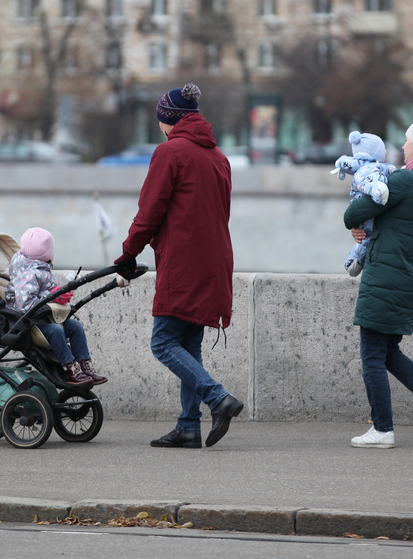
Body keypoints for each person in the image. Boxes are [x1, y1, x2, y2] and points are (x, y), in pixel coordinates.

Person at [114, 83, 243, 449]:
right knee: (189, 342)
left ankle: (217, 398)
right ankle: (188, 425)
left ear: (168, 120)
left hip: (183, 262)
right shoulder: (219, 157)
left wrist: (127, 255)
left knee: (163, 342)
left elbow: (149, 213)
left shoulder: (170, 153)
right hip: (215, 261)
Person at [344, 118, 413, 449]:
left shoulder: (406, 180)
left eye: (408, 141)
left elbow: (353, 213)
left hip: (385, 279)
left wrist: (362, 223)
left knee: (371, 357)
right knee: (387, 352)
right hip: (409, 280)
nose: (404, 146)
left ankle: (382, 429)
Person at [5, 227, 107, 388]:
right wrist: (53, 295)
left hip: (44, 317)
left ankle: (84, 365)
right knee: (56, 331)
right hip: (29, 323)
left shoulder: (41, 268)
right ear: (47, 254)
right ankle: (70, 369)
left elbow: (43, 293)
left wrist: (59, 293)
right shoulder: (29, 274)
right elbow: (25, 305)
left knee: (75, 326)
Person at [333, 131, 395, 277]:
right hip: (385, 257)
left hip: (382, 260)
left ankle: (354, 260)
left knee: (365, 238)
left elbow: (352, 214)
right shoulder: (371, 169)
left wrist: (353, 221)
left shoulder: (374, 168)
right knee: (364, 237)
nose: (403, 147)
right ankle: (376, 189)